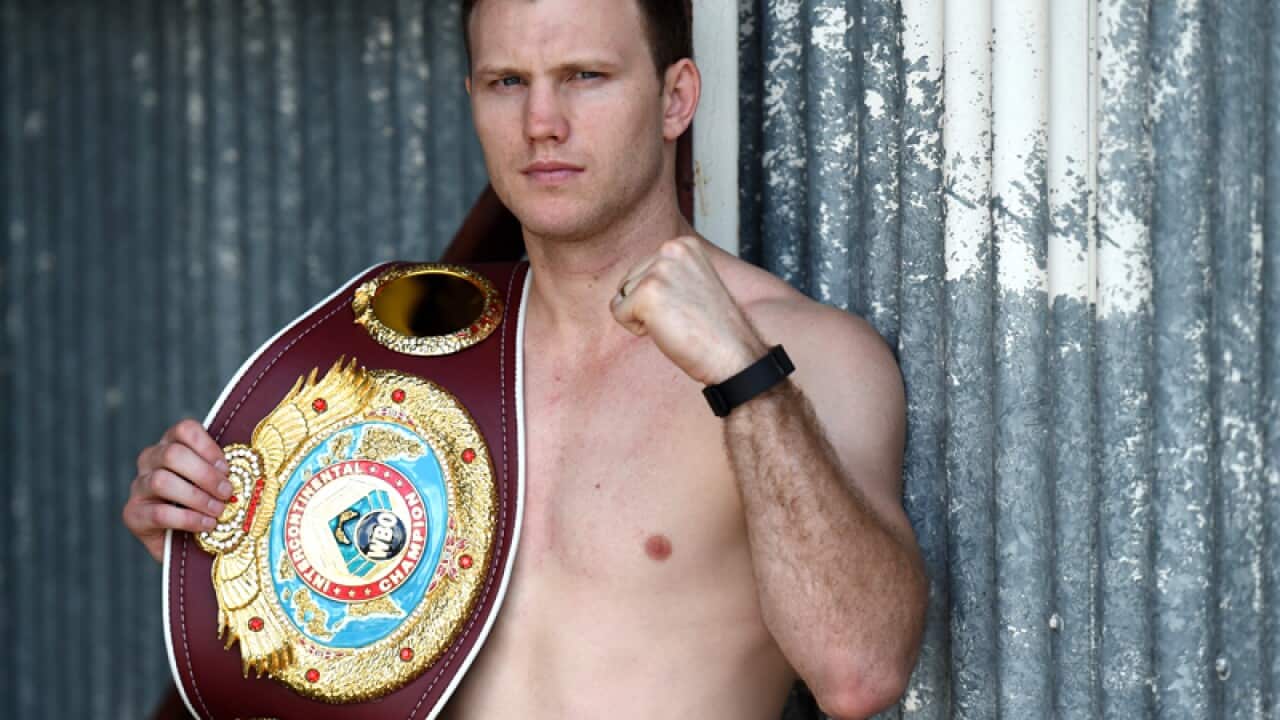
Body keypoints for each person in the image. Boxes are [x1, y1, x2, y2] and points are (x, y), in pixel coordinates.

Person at [122, 0, 928, 717]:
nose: (542, 121)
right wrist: (209, 542)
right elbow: (321, 657)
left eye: (585, 76)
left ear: (675, 98)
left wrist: (744, 376)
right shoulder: (413, 357)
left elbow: (858, 673)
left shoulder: (805, 357)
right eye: (507, 82)